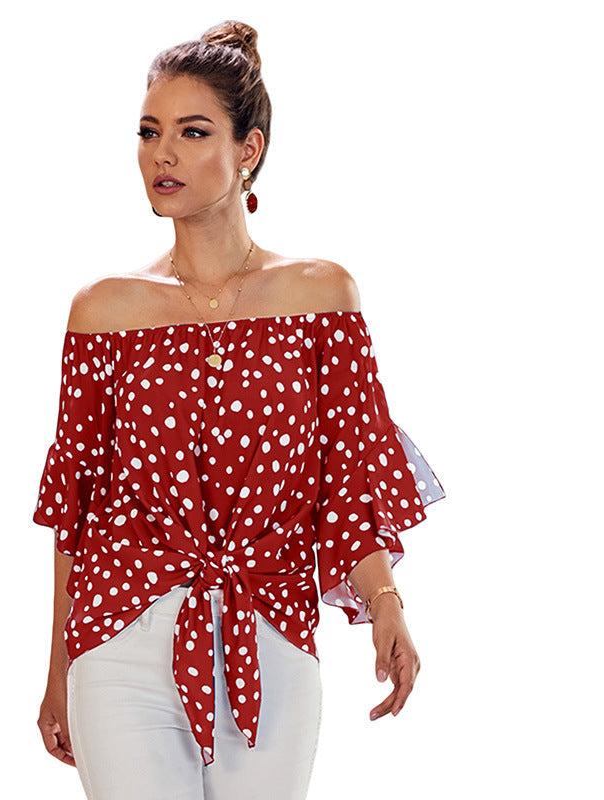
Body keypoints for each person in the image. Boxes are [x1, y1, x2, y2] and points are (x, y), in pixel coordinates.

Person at [33, 19, 446, 800]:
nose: (163, 154)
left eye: (192, 133)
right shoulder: (102, 310)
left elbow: (347, 484)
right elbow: (76, 514)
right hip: (122, 638)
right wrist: (57, 671)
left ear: (248, 148)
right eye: (150, 132)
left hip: (272, 633)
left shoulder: (321, 297)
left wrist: (386, 604)